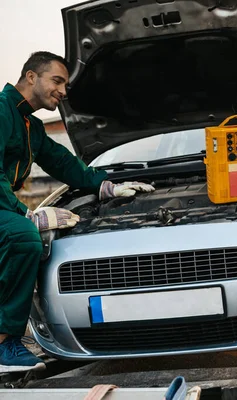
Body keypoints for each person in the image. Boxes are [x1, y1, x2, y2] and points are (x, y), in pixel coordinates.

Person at [0, 51, 154, 373]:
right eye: (57, 81)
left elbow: (61, 161)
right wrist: (26, 214)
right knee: (23, 235)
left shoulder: (29, 124)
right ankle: (4, 342)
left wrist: (105, 186)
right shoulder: (1, 112)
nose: (64, 91)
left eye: (66, 84)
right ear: (31, 77)